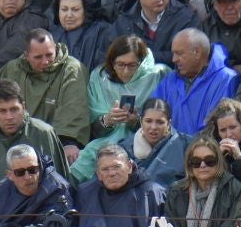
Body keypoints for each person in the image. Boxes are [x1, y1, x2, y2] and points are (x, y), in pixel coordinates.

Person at [70, 36, 169, 182]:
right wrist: (107, 120)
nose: (126, 71)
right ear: (111, 63)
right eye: (120, 65)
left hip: (146, 146)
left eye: (132, 65)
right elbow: (91, 128)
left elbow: (165, 122)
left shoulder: (157, 76)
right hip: (103, 144)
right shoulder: (99, 78)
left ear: (141, 63)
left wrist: (136, 122)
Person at [0, 28, 88, 162]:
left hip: (55, 141)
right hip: (13, 138)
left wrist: (69, 142)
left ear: (56, 48)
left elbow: (74, 108)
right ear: (26, 55)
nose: (45, 61)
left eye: (49, 55)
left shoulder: (72, 69)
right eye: (38, 57)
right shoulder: (12, 69)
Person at [77, 143, 168, 227]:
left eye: (116, 167)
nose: (112, 173)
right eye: (105, 169)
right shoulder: (85, 194)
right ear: (99, 175)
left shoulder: (152, 193)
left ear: (129, 167)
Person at [164, 136, 241, 227]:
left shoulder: (234, 188)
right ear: (189, 165)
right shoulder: (176, 191)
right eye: (196, 161)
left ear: (218, 162)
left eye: (209, 161)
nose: (202, 165)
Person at [0, 77, 65, 182]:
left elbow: (58, 182)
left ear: (23, 107)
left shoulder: (43, 133)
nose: (9, 117)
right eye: (2, 111)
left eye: (14, 109)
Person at [112, 0, 198, 61]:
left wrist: (142, 56)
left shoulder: (186, 17)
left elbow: (189, 56)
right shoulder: (123, 22)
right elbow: (113, 56)